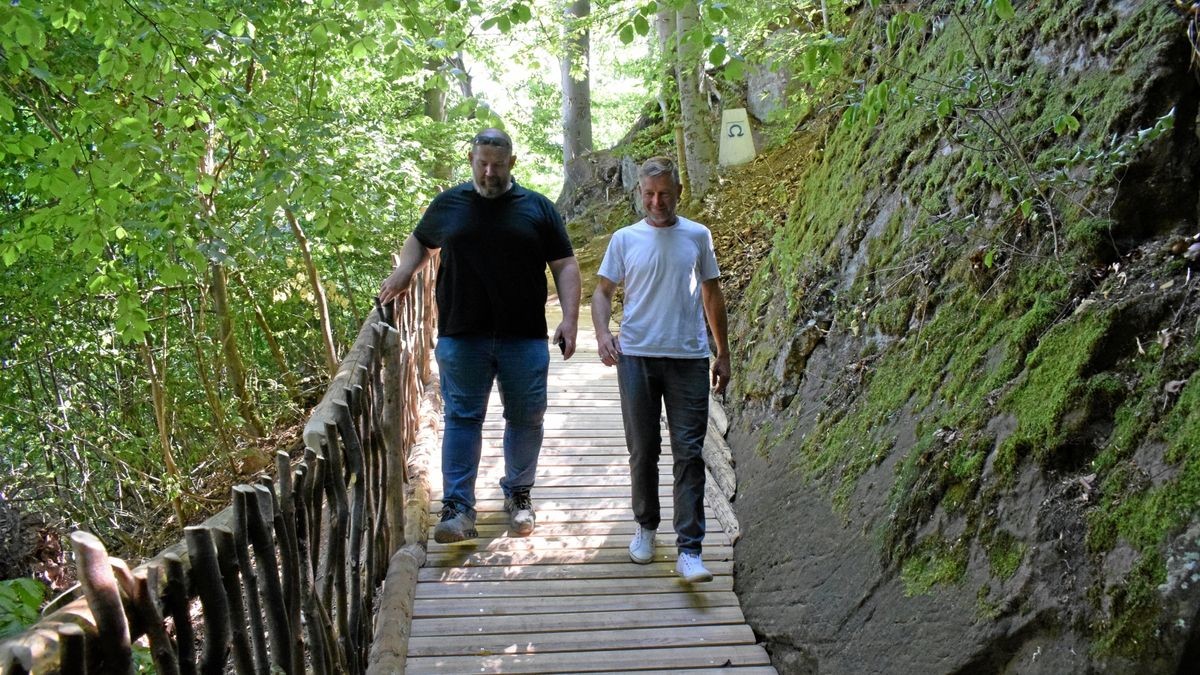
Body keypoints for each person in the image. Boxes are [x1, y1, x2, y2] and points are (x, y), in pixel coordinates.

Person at [379, 128, 581, 544]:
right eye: (482, 163)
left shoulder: (537, 208)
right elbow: (420, 241)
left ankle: (519, 494)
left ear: (512, 163)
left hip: (523, 335)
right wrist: (404, 270)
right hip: (461, 332)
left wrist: (571, 319)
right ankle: (457, 508)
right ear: (471, 158)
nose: (490, 172)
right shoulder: (449, 204)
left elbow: (565, 264)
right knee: (463, 419)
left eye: (498, 165)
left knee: (526, 418)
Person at [591, 156, 730, 583]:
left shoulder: (697, 236)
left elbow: (712, 294)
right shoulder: (624, 239)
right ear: (639, 193)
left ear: (678, 192)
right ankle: (646, 527)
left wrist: (722, 352)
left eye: (665, 194)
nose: (657, 202)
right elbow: (602, 292)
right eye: (649, 194)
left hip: (688, 357)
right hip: (635, 357)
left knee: (689, 453)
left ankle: (690, 548)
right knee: (643, 449)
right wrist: (602, 333)